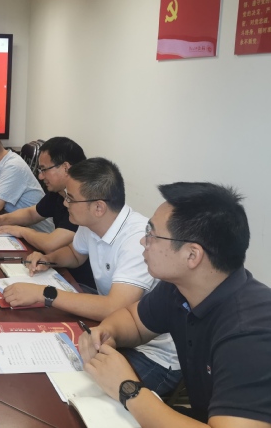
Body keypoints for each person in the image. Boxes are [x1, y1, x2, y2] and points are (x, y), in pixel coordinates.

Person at [79, 182, 271, 427]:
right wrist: (107, 333)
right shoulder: (180, 287)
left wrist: (128, 388)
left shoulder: (251, 334)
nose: (143, 242)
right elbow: (134, 321)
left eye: (152, 234)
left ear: (192, 255)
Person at [3, 158, 181, 395]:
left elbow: (114, 307)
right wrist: (47, 259)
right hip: (111, 334)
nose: (65, 203)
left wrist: (44, 293)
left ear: (98, 207)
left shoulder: (137, 240)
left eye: (71, 198)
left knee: (72, 391)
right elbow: (74, 254)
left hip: (153, 355)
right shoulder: (91, 223)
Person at [0, 136, 95, 288]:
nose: (40, 176)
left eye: (44, 170)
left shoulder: (83, 202)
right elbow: (32, 213)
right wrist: (1, 220)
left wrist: (21, 231)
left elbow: (51, 243)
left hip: (81, 283)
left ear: (65, 168)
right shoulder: (59, 192)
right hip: (61, 269)